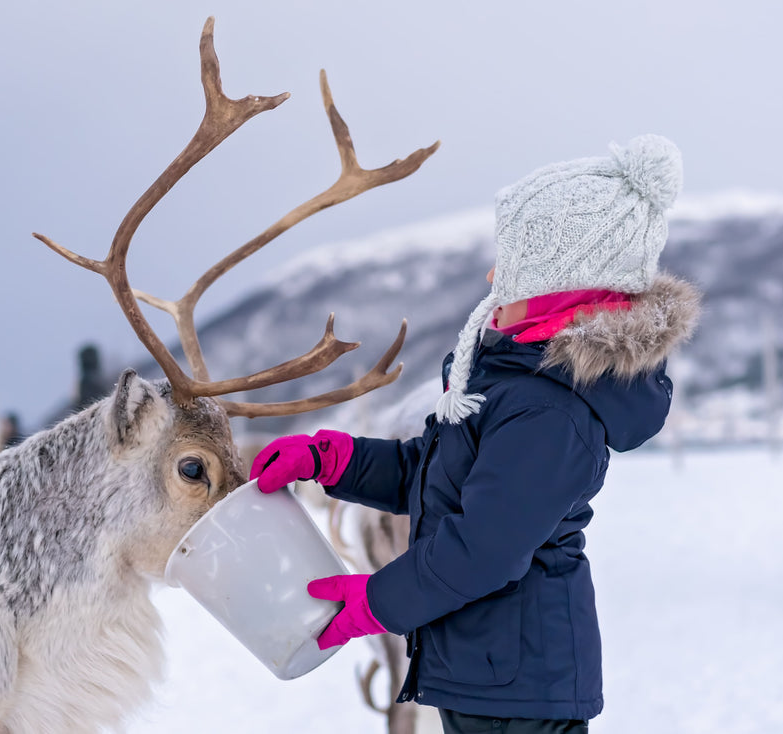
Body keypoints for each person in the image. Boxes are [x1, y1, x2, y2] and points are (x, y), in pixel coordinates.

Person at [250, 134, 701, 733]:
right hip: (489, 672)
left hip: (520, 693)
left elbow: (482, 551)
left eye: (512, 266)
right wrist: (331, 461)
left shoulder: (551, 413)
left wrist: (375, 601)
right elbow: (432, 475)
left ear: (557, 289)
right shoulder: (515, 382)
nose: (493, 276)